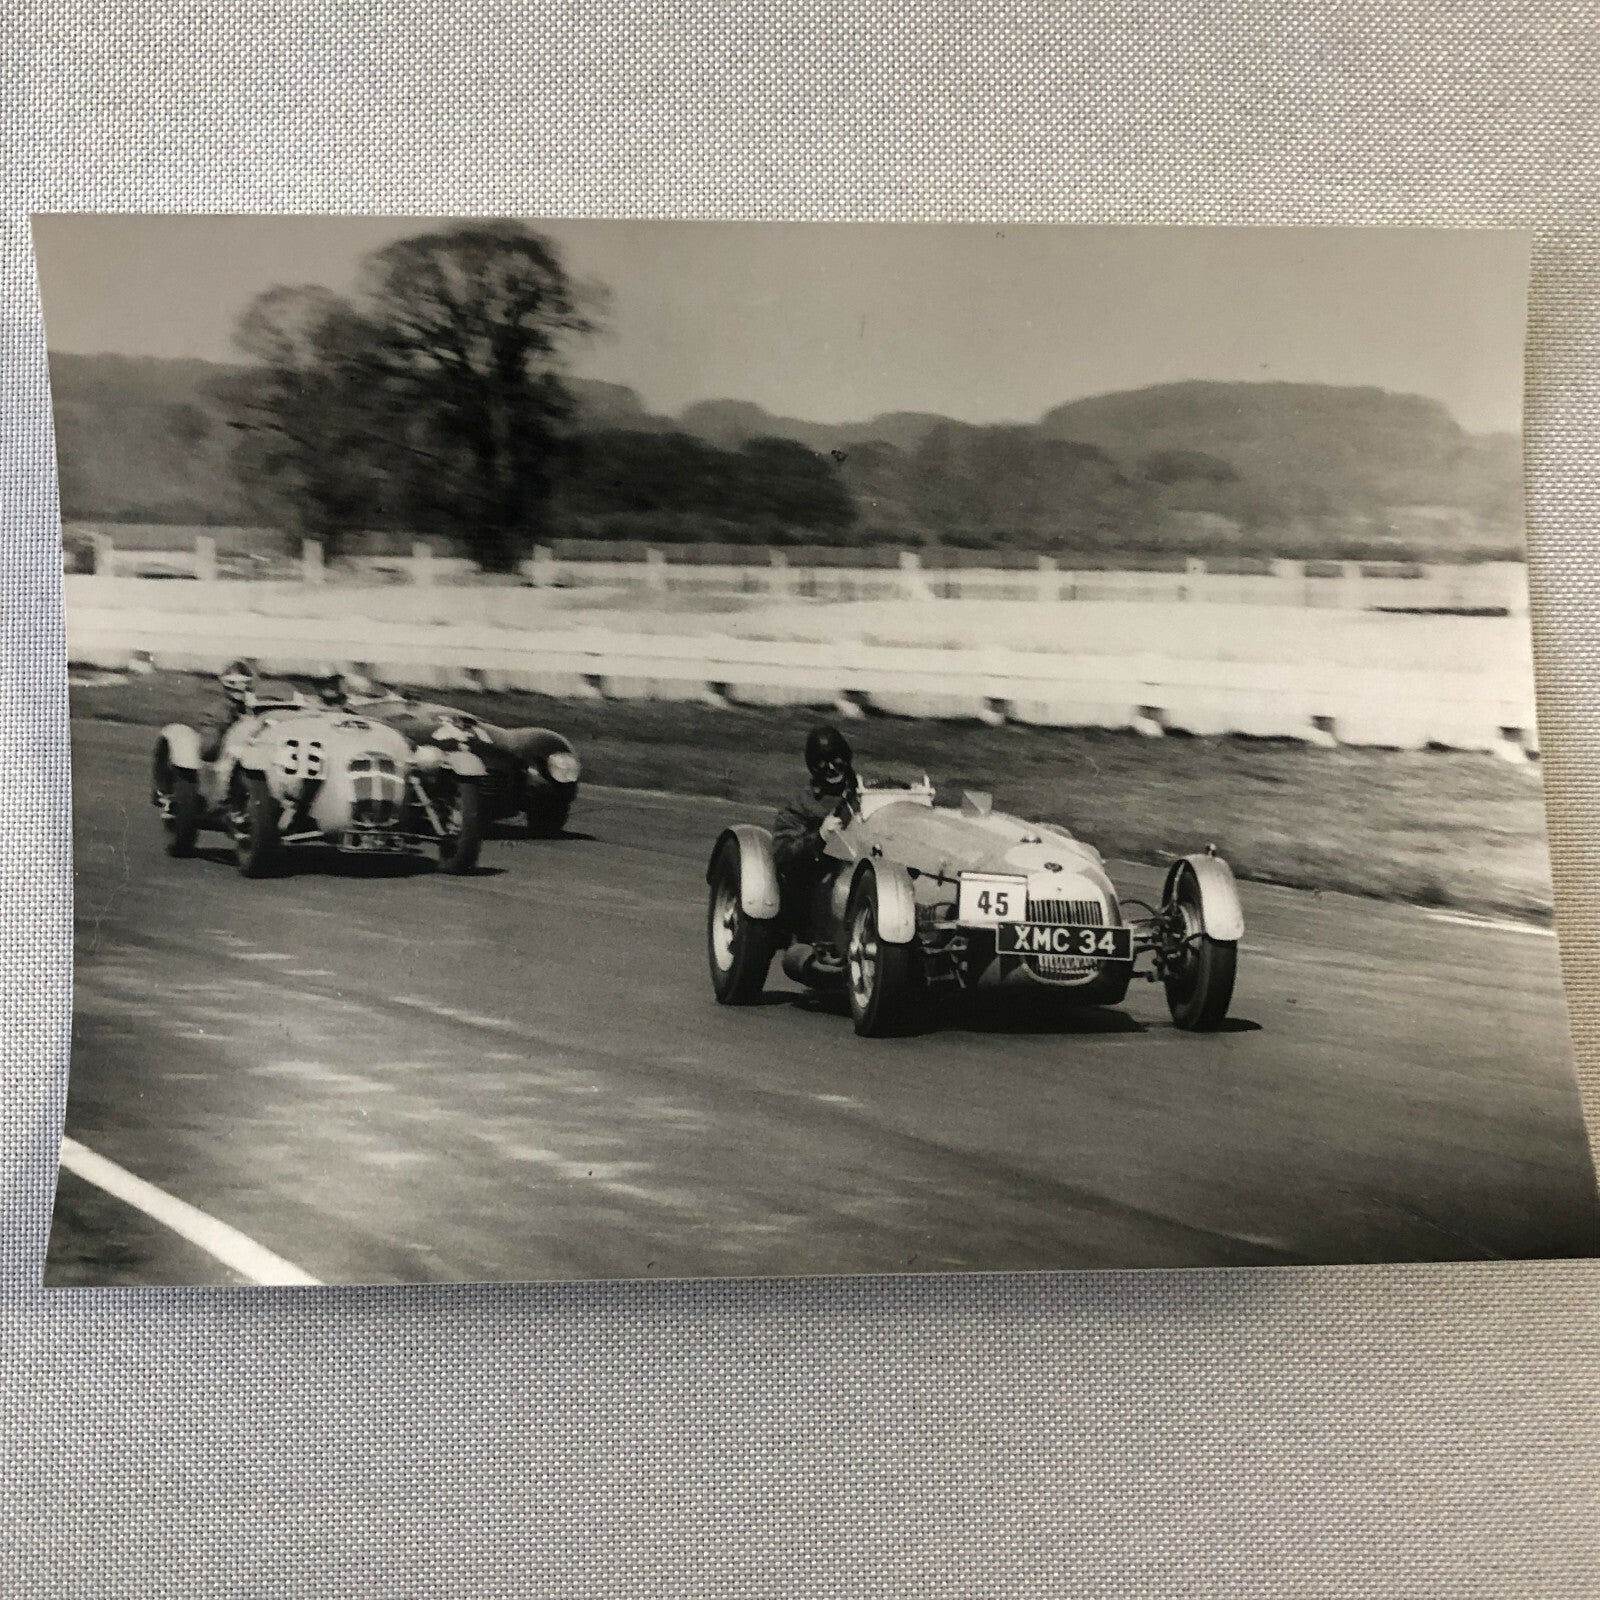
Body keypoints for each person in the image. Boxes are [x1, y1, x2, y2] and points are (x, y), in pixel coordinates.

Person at [772, 723, 858, 947]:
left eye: (836, 759)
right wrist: (819, 836)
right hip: (822, 891)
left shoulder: (865, 794)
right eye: (822, 763)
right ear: (812, 767)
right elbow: (783, 856)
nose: (830, 768)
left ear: (846, 757)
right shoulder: (800, 805)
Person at [199, 659, 257, 762]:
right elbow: (208, 751)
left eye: (245, 683)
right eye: (233, 684)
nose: (240, 688)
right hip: (223, 760)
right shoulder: (214, 711)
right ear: (226, 685)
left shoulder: (252, 708)